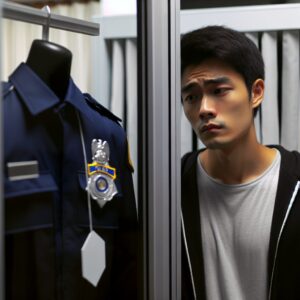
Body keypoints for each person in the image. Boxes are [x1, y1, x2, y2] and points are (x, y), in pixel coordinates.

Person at [180, 25, 300, 300]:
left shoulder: (296, 184)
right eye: (191, 96)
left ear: (256, 92)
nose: (204, 109)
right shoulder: (170, 189)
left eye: (219, 90)